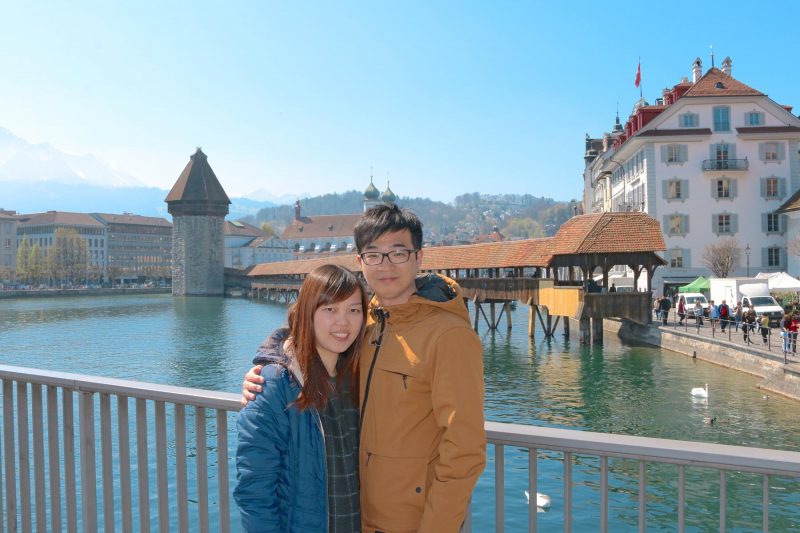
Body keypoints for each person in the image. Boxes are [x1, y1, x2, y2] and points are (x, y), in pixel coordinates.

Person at [243, 205, 487, 532]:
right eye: (374, 255)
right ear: (360, 261)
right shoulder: (364, 323)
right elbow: (306, 334)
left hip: (409, 523)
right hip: (357, 517)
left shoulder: (449, 336)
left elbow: (464, 451)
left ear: (419, 258)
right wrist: (270, 365)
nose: (385, 265)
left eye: (398, 253)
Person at [234, 265, 367, 532]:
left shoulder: (358, 376)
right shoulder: (275, 383)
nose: (343, 322)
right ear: (308, 312)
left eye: (354, 310)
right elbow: (255, 491)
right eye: (330, 309)